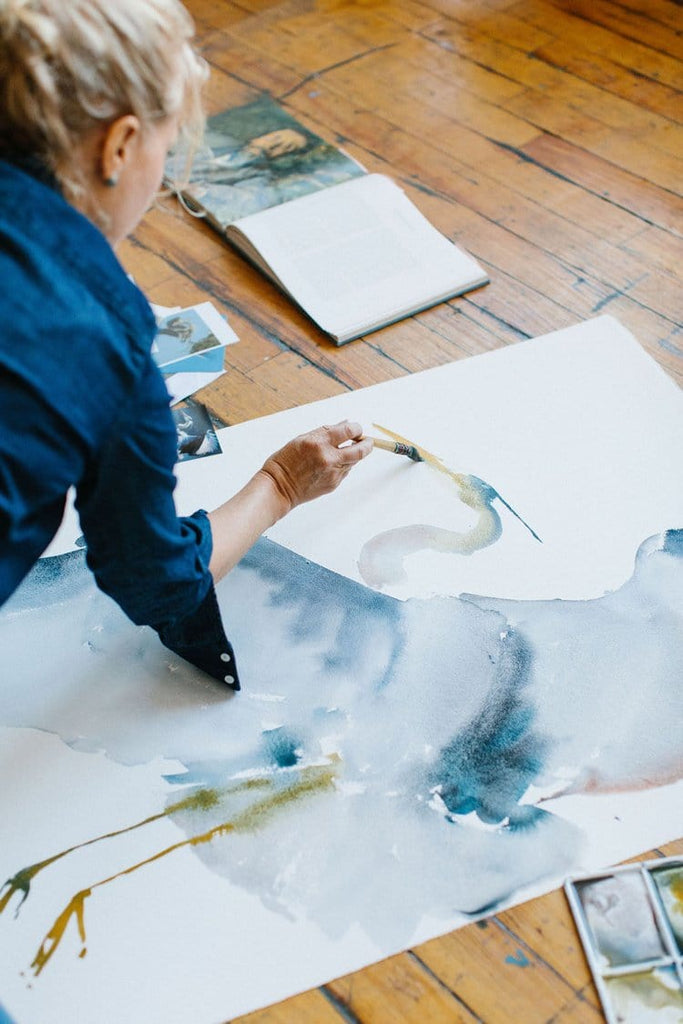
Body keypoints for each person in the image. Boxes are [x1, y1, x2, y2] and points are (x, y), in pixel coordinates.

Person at [0, 0, 372, 690]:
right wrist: (281, 486)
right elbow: (155, 582)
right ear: (118, 146)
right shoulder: (99, 328)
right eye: (165, 152)